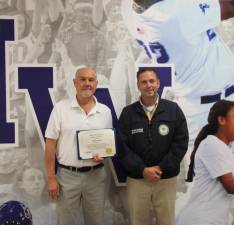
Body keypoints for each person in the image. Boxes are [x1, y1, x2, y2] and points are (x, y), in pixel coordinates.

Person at [121, 0, 234, 143]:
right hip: (207, 109)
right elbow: (229, 6)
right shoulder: (173, 14)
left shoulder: (128, 9)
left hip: (195, 105)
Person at [117, 68, 189, 225]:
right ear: (138, 85)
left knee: (166, 221)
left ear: (158, 83)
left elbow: (181, 142)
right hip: (138, 179)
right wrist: (142, 169)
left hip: (165, 178)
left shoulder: (173, 110)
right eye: (144, 82)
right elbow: (122, 147)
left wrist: (161, 167)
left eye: (152, 81)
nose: (148, 85)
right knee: (138, 221)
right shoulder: (128, 113)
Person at [44, 67, 113, 225]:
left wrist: (103, 154)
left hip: (96, 176)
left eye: (91, 80)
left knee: (96, 221)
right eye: (82, 79)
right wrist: (51, 177)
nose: (87, 83)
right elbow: (50, 144)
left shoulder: (105, 111)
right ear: (75, 82)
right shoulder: (60, 109)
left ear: (96, 83)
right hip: (67, 176)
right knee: (65, 222)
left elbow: (106, 143)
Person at [176, 100, 234, 225]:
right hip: (201, 219)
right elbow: (231, 186)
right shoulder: (212, 145)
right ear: (222, 120)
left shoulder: (225, 147)